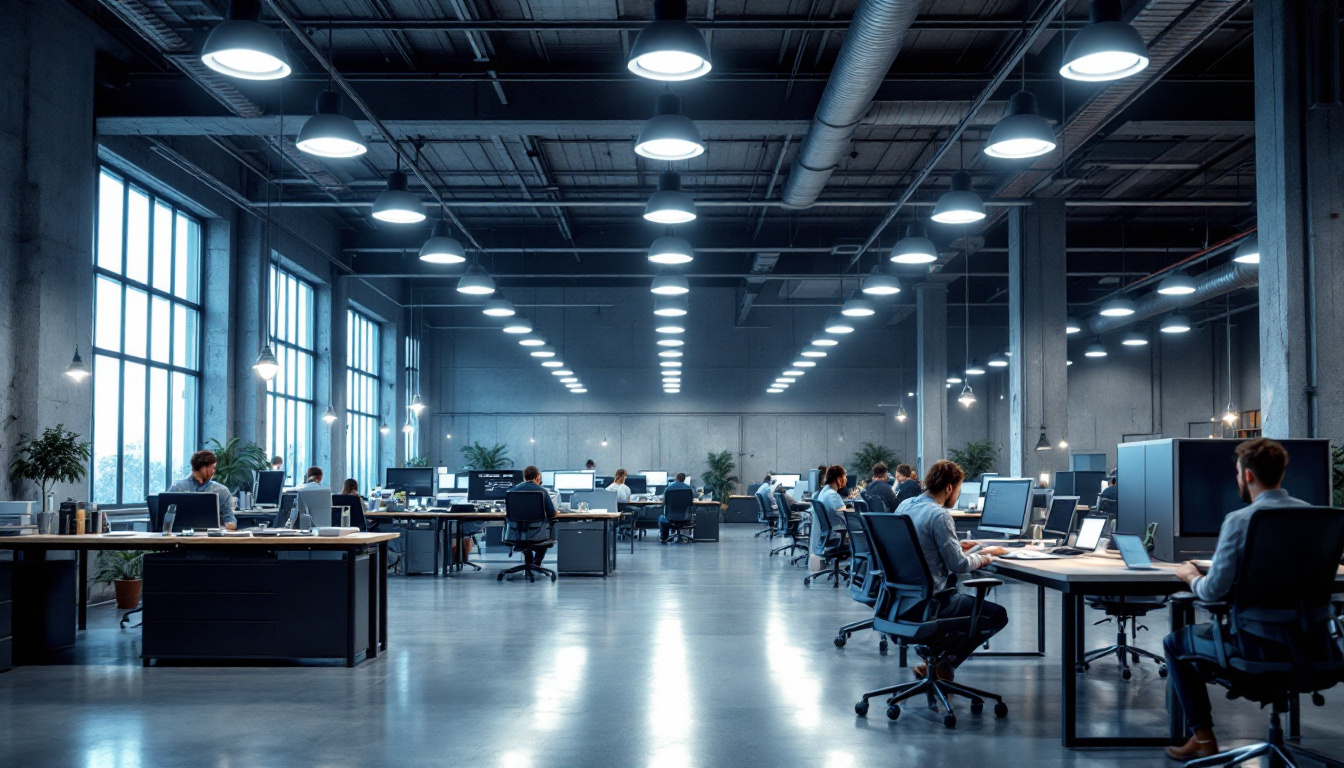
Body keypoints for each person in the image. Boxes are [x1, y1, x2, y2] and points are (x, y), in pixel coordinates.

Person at [1162, 438, 1309, 762]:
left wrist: (1189, 575)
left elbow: (1212, 591)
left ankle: (1202, 737)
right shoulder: (1313, 518)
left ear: (1248, 477)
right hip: (1311, 643)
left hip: (1255, 644)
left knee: (1175, 643)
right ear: (1281, 475)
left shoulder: (1241, 521)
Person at [895, 459, 1009, 681]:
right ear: (949, 488)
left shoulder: (904, 506)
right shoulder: (939, 515)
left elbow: (920, 544)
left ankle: (935, 663)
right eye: (958, 489)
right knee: (996, 614)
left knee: (965, 605)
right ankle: (946, 664)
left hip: (902, 600)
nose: (957, 495)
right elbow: (960, 566)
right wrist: (988, 555)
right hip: (932, 602)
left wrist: (955, 544)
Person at [167, 450, 237, 530]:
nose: (213, 471)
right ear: (203, 468)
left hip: (210, 537)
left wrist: (231, 524)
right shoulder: (178, 488)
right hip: (182, 534)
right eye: (212, 467)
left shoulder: (221, 491)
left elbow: (228, 516)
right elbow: (164, 514)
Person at [505, 466, 559, 569]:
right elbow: (552, 514)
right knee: (543, 531)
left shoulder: (511, 491)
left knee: (526, 531)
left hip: (516, 533)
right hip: (538, 534)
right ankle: (536, 563)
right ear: (538, 477)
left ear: (524, 477)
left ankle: (529, 563)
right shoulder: (542, 491)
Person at [659, 473, 694, 543]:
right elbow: (691, 501)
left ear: (676, 477)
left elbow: (664, 502)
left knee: (661, 518)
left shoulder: (668, 488)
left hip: (670, 517)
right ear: (684, 479)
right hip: (685, 517)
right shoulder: (689, 489)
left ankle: (664, 537)